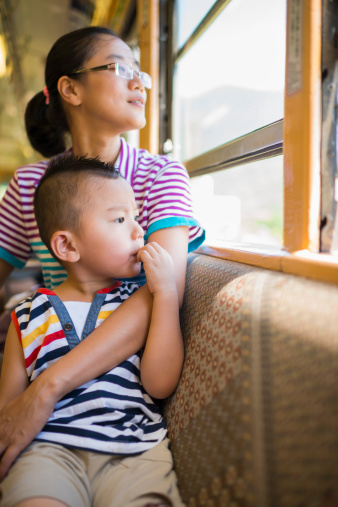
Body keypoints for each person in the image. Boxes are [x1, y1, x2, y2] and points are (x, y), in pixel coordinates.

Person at [0, 25, 205, 479]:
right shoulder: (30, 186)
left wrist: (47, 388)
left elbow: (160, 289)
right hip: (51, 346)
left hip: (122, 383)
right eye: (120, 68)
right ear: (69, 89)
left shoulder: (161, 175)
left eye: (142, 73)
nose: (140, 83)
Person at [0, 153, 185, 507]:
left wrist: (165, 294)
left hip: (134, 452)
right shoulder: (25, 316)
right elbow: (10, 411)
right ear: (67, 246)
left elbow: (160, 384)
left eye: (136, 217)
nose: (138, 230)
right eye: (119, 218)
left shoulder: (142, 303)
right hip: (47, 452)